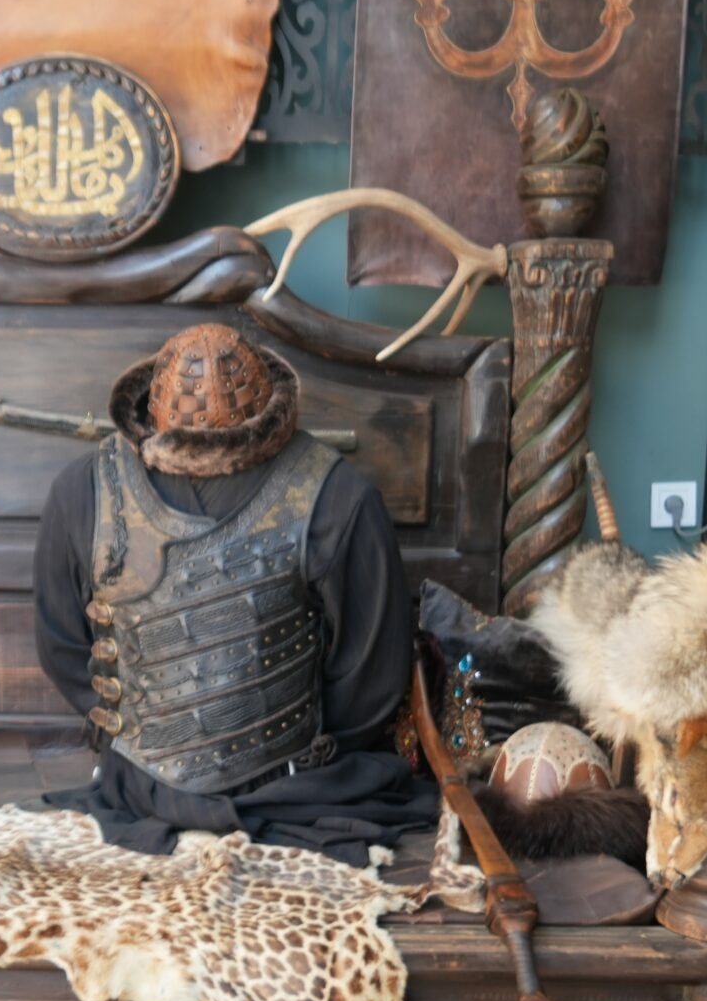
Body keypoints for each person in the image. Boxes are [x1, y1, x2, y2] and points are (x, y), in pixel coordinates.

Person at [31, 322, 423, 865]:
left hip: (257, 785)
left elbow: (373, 674)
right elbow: (369, 675)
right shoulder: (87, 489)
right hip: (234, 788)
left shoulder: (333, 493)